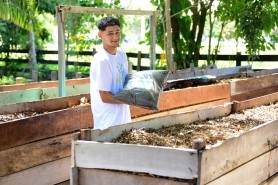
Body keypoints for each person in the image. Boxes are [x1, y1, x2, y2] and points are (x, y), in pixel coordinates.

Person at [90, 16, 131, 130]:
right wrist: (132, 99)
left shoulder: (122, 55)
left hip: (123, 118)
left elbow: (126, 83)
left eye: (117, 32)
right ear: (100, 35)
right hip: (107, 123)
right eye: (110, 33)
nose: (115, 37)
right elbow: (105, 96)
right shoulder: (101, 60)